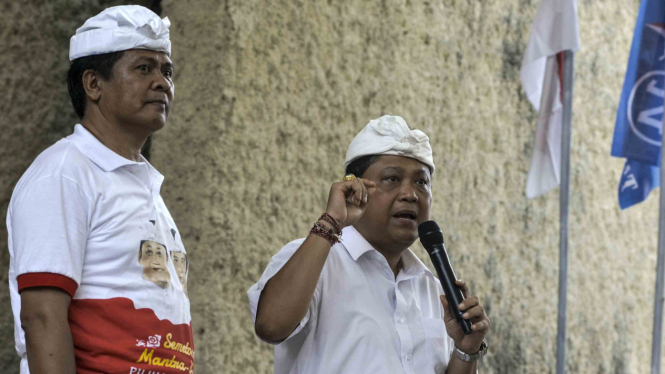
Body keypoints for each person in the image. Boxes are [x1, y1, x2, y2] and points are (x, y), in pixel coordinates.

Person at [7, 6, 193, 374]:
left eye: (166, 71)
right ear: (93, 84)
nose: (163, 83)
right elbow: (42, 317)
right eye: (144, 68)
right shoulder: (64, 175)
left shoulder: (144, 187)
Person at [248, 115, 490, 374]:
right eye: (392, 179)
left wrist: (466, 350)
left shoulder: (434, 290)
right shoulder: (316, 260)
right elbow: (270, 327)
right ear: (356, 187)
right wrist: (330, 223)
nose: (410, 194)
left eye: (421, 182)